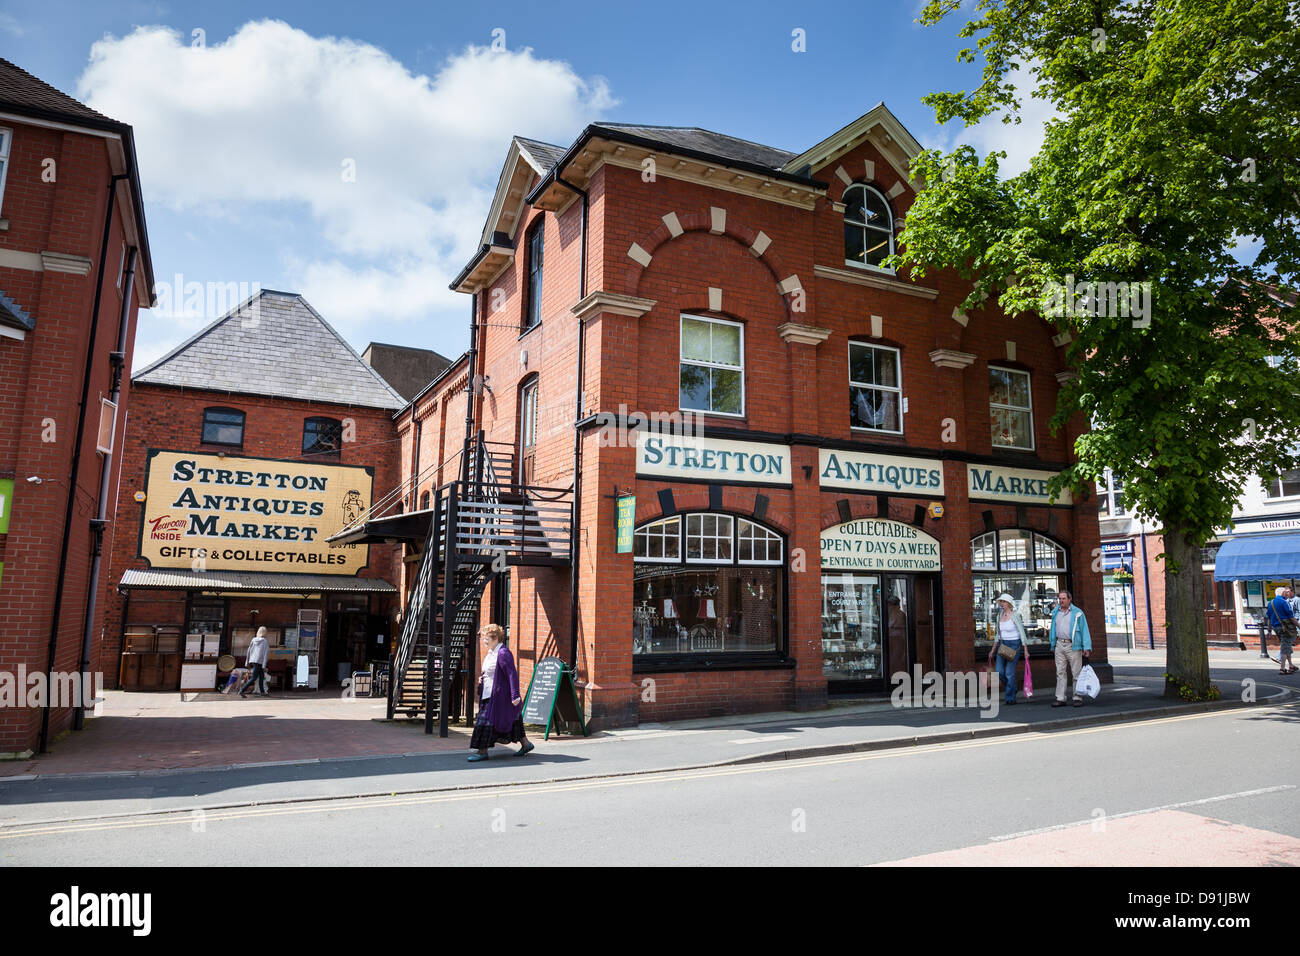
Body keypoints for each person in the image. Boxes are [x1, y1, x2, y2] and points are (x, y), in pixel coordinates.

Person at [468, 624, 534, 762]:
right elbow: (491, 672)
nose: (484, 641)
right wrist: (482, 678)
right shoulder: (491, 653)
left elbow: (511, 674)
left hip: (498, 696)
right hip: (489, 693)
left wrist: (515, 695)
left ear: (496, 638)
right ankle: (526, 744)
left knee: (484, 722)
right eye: (484, 638)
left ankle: (482, 751)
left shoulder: (503, 653)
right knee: (513, 719)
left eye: (487, 638)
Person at [1050, 590, 1092, 707]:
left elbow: (1084, 630)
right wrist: (1052, 644)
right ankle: (1060, 698)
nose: (1061, 601)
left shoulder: (1078, 613)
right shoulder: (1055, 612)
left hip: (1073, 645)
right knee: (1060, 672)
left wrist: (1086, 647)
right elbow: (1053, 629)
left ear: (1069, 600)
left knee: (1076, 673)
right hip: (1059, 644)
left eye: (1063, 599)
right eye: (1060, 598)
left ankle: (1077, 697)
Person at [987, 593, 1028, 705]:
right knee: (999, 672)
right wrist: (992, 650)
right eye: (1001, 602)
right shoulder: (999, 616)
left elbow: (1022, 633)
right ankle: (1013, 688)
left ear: (1009, 603)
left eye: (1004, 602)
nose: (1001, 604)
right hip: (1002, 645)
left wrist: (1025, 650)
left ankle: (1010, 697)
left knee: (1009, 673)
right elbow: (997, 634)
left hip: (1014, 645)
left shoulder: (1015, 616)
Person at [1265, 587, 1297, 675]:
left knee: (1286, 645)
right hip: (1285, 628)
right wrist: (1298, 626)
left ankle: (1291, 665)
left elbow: (1269, 618)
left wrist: (1269, 630)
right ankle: (1282, 668)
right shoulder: (1284, 602)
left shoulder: (1270, 603)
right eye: (1285, 593)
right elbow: (1291, 617)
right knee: (1284, 647)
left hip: (1276, 628)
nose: (1286, 594)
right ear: (1282, 593)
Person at [240, 626, 270, 697]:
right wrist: (264, 665)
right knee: (254, 678)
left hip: (253, 660)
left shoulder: (253, 640)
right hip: (259, 661)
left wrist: (247, 662)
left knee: (261, 677)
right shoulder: (265, 641)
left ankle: (262, 692)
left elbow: (249, 651)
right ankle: (242, 690)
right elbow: (265, 654)